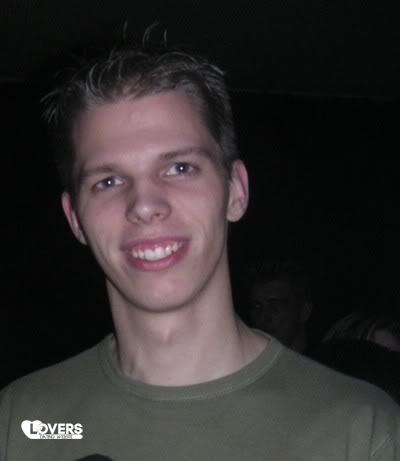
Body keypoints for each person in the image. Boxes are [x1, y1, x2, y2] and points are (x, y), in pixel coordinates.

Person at [0, 43, 399, 461]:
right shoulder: (23, 422)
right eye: (108, 182)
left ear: (236, 191)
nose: (144, 205)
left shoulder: (361, 431)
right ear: (75, 219)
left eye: (180, 168)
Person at [247, 259, 312, 352]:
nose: (263, 316)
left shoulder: (327, 359)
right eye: (257, 307)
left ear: (304, 311)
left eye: (274, 306)